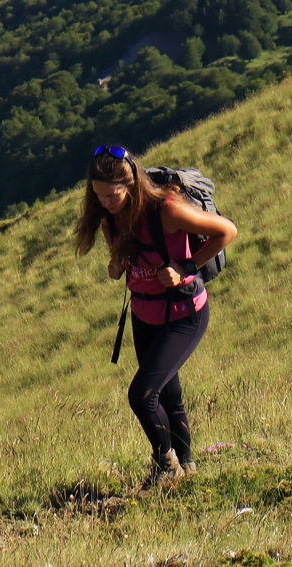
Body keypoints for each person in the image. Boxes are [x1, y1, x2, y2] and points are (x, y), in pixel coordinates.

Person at [73, 144, 238, 485]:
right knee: (167, 395)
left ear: (131, 184)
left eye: (111, 195)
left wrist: (186, 267)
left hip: (183, 314)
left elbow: (227, 231)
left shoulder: (167, 210)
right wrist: (117, 265)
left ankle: (167, 466)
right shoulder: (110, 219)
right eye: (98, 195)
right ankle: (188, 470)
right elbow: (125, 259)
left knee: (142, 395)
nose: (104, 203)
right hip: (144, 314)